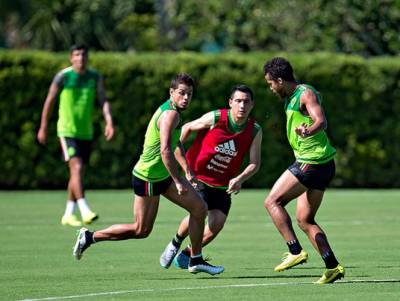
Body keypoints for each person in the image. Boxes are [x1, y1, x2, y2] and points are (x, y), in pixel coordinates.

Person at [72, 73, 224, 275]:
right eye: (181, 93)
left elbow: (175, 143)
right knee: (141, 230)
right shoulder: (171, 114)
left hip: (163, 176)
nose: (186, 97)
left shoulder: (174, 111)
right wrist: (178, 180)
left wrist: (187, 171)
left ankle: (194, 259)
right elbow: (165, 150)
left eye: (189, 94)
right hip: (148, 178)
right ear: (171, 93)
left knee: (199, 209)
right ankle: (90, 237)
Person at [159, 85, 262, 270]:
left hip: (223, 185)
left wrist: (240, 179)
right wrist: (178, 146)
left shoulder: (254, 130)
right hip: (199, 177)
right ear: (230, 103)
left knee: (216, 224)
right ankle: (175, 243)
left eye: (246, 102)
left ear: (252, 105)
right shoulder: (217, 117)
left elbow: (255, 163)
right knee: (199, 210)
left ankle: (187, 255)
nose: (242, 105)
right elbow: (188, 127)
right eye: (238, 101)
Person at [262, 57, 345, 284]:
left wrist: (308, 131)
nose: (270, 88)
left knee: (272, 202)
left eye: (271, 83)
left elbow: (321, 121)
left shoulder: (304, 93)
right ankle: (332, 266)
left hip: (312, 162)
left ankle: (295, 250)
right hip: (322, 164)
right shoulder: (294, 96)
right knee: (305, 220)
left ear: (280, 80)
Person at [37, 44, 114, 227]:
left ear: (87, 58)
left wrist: (109, 121)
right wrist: (43, 126)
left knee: (77, 173)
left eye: (83, 55)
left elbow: (103, 100)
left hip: (85, 132)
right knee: (77, 168)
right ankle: (84, 209)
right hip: (66, 131)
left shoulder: (95, 77)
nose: (80, 58)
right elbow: (50, 100)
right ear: (71, 58)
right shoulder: (63, 76)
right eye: (77, 55)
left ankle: (68, 214)